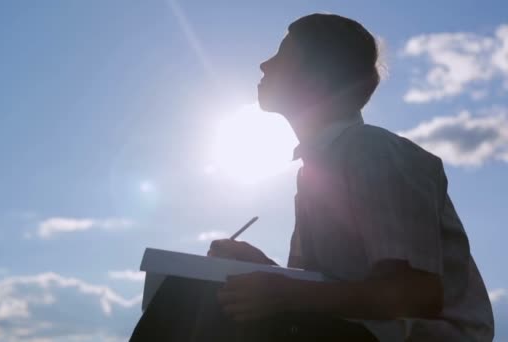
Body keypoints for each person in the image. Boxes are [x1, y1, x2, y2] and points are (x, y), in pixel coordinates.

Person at [207, 13, 495, 341]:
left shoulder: (373, 152)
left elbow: (416, 293)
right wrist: (265, 270)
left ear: (316, 78)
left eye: (282, 56)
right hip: (351, 330)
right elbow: (324, 288)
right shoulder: (317, 169)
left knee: (206, 316)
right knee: (211, 302)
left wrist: (282, 292)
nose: (264, 65)